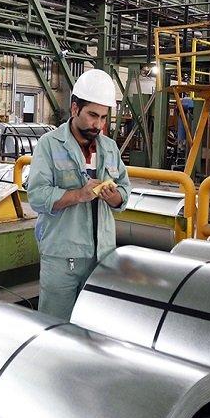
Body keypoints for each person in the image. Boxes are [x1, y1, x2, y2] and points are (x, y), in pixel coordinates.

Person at [27, 69, 131, 321]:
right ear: (75, 109)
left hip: (102, 257)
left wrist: (113, 197)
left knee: (94, 325)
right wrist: (79, 195)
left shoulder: (110, 148)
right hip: (62, 257)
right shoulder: (50, 145)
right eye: (92, 115)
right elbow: (37, 196)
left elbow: (124, 192)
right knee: (56, 325)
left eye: (104, 117)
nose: (99, 125)